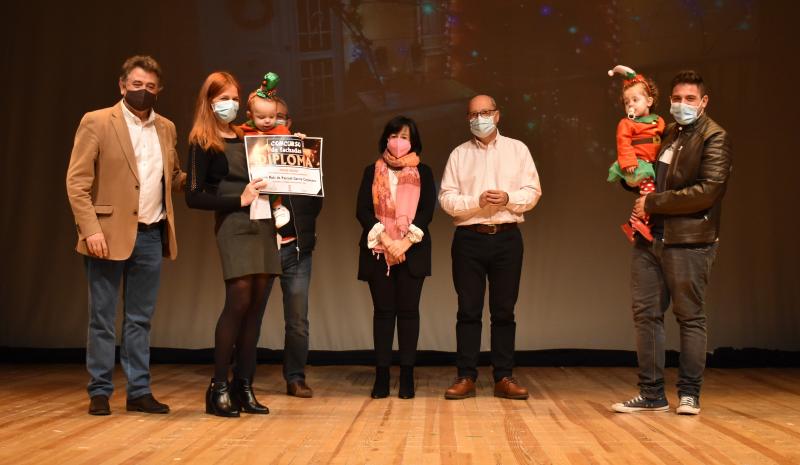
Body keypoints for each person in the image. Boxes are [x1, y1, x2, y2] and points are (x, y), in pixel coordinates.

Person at [66, 55, 184, 416]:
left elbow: (173, 177)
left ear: (159, 90)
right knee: (101, 318)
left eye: (150, 86)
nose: (143, 91)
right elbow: (77, 182)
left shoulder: (166, 127)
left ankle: (139, 391)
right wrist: (91, 230)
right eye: (136, 85)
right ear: (122, 86)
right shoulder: (97, 121)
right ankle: (100, 391)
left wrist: (206, 168)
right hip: (106, 235)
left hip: (150, 233)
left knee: (140, 319)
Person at [611, 70, 732, 415]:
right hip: (650, 238)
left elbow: (707, 192)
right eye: (677, 98)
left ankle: (689, 394)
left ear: (703, 101)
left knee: (689, 316)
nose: (682, 104)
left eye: (690, 99)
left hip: (689, 241)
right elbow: (649, 175)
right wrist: (630, 177)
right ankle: (652, 394)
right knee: (646, 315)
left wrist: (652, 203)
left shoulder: (715, 137)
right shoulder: (666, 132)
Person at [185, 71, 281, 417]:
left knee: (256, 307)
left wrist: (294, 146)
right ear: (209, 101)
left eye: (235, 98)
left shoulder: (247, 136)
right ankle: (218, 387)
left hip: (263, 222)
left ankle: (244, 385)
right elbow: (194, 196)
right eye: (223, 98)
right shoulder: (201, 141)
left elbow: (278, 157)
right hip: (234, 223)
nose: (231, 104)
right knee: (238, 300)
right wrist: (237, 200)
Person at [438, 95, 542, 400]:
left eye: (484, 112)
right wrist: (476, 201)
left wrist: (508, 198)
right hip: (469, 238)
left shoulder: (517, 149)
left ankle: (504, 377)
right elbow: (446, 199)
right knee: (468, 310)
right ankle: (466, 376)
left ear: (497, 115)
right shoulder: (459, 154)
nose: (479, 119)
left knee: (504, 311)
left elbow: (533, 191)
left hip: (507, 237)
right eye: (473, 114)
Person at [239, 85, 323, 399]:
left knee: (297, 320)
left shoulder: (302, 152)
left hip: (295, 248)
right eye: (269, 117)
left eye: (281, 118)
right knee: (252, 316)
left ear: (287, 121)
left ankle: (295, 378)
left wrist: (303, 161)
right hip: (261, 247)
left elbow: (315, 202)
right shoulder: (247, 150)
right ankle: (243, 378)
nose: (275, 123)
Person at [356, 116, 436, 399]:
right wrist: (388, 241)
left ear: (413, 142)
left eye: (404, 136)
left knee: (409, 313)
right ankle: (381, 376)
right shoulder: (372, 171)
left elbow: (426, 211)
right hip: (379, 250)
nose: (398, 141)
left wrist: (404, 243)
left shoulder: (423, 172)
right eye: (394, 136)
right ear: (385, 139)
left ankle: (407, 376)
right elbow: (362, 211)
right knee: (383, 313)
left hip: (412, 250)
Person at [606, 65, 666, 242]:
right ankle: (641, 223)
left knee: (648, 194)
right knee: (649, 195)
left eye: (635, 99)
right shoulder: (626, 123)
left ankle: (632, 224)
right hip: (637, 164)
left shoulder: (658, 121)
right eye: (627, 102)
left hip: (652, 164)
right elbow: (623, 143)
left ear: (649, 101)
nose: (630, 104)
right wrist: (629, 162)